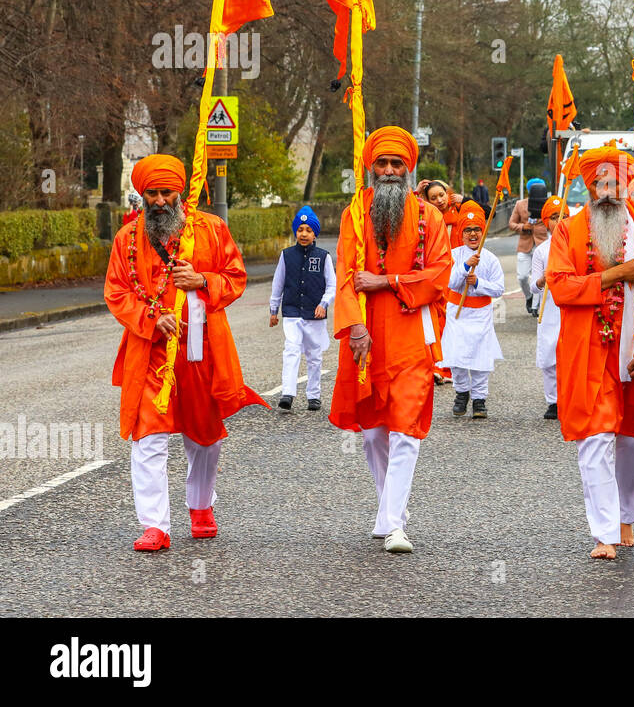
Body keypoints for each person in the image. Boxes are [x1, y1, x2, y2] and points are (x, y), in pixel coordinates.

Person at [104, 154, 268, 551]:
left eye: (166, 192)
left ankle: (201, 505)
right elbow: (116, 291)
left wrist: (201, 279)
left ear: (181, 193)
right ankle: (155, 525)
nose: (159, 200)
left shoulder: (211, 229)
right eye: (152, 193)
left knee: (205, 436)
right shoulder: (127, 239)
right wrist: (149, 317)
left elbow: (236, 278)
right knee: (148, 437)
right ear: (142, 195)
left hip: (202, 350)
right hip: (150, 353)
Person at [546, 146, 634, 559]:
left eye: (615, 183)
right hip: (587, 353)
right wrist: (613, 275)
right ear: (589, 188)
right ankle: (604, 533)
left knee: (633, 443)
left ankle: (626, 515)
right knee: (595, 439)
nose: (607, 191)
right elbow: (560, 286)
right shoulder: (568, 231)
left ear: (627, 186)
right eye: (600, 184)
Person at [330, 126, 454, 554]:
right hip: (365, 333)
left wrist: (386, 280)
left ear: (407, 168)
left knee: (404, 427)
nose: (387, 170)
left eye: (395, 164)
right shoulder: (355, 212)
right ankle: (391, 511)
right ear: (370, 167)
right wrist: (355, 326)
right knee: (372, 432)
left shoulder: (430, 217)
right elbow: (346, 271)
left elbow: (439, 274)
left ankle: (395, 524)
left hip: (409, 333)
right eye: (380, 163)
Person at [269, 205, 336, 412]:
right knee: (291, 349)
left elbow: (332, 285)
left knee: (314, 354)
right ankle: (288, 393)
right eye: (300, 230)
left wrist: (324, 303)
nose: (304, 234)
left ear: (315, 233)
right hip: (291, 312)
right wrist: (274, 310)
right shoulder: (286, 255)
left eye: (308, 230)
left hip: (314, 313)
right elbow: (278, 284)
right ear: (295, 232)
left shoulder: (323, 257)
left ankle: (314, 395)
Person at [442, 201, 505, 418]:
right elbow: (448, 282)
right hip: (456, 313)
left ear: (483, 231)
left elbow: (498, 289)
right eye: (467, 230)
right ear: (461, 232)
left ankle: (479, 399)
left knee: (480, 359)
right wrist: (465, 266)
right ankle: (461, 393)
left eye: (477, 229)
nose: (472, 234)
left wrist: (478, 283)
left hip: (480, 314)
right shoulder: (453, 255)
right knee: (456, 357)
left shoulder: (491, 259)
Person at [416, 178, 461, 386]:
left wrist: (466, 200)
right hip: (435, 273)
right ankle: (437, 366)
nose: (439, 200)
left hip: (458, 272)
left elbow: (484, 213)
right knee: (437, 321)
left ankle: (450, 365)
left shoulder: (459, 212)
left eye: (441, 195)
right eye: (433, 198)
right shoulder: (424, 216)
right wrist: (415, 194)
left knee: (453, 321)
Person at [529, 195, 567, 419]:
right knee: (549, 357)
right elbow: (533, 286)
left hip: (572, 306)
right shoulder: (542, 251)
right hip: (549, 308)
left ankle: (570, 398)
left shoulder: (578, 246)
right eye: (554, 217)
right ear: (546, 222)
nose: (559, 221)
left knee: (572, 358)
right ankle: (553, 401)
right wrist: (543, 280)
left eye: (563, 216)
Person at [510, 178, 550, 316]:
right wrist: (522, 226)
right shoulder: (520, 204)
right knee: (522, 277)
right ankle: (529, 297)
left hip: (542, 244)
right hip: (525, 244)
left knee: (539, 276)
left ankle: (536, 307)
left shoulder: (547, 204)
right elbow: (511, 224)